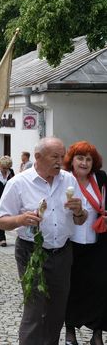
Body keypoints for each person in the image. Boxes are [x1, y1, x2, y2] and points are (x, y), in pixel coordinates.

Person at [0, 137, 88, 345]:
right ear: (38, 157)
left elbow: (81, 220)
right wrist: (20, 219)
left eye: (62, 157)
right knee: (35, 310)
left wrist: (80, 211)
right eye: (55, 156)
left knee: (57, 310)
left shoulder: (69, 180)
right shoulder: (18, 183)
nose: (60, 161)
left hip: (62, 253)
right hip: (31, 252)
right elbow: (0, 221)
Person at [62, 141, 107, 345]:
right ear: (72, 160)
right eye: (80, 158)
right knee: (72, 286)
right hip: (71, 241)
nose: (84, 162)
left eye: (88, 159)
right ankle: (70, 328)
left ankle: (97, 332)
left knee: (100, 286)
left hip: (98, 241)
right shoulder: (64, 179)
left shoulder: (100, 178)